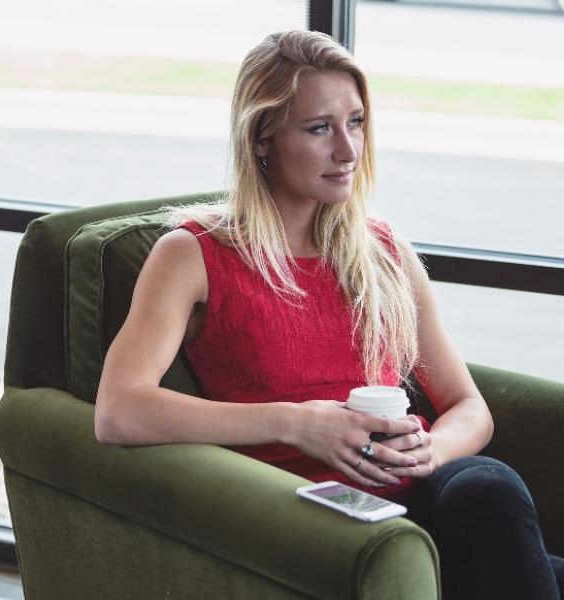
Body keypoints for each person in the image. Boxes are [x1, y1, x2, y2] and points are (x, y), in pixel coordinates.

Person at [94, 30, 563, 599]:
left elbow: (469, 409)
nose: (348, 150)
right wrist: (297, 423)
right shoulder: (193, 253)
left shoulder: (383, 251)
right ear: (262, 138)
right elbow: (119, 410)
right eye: (320, 129)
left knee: (489, 488)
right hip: (296, 508)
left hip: (410, 498)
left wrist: (427, 452)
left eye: (357, 122)